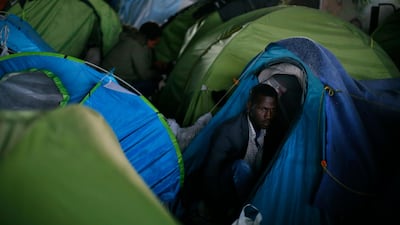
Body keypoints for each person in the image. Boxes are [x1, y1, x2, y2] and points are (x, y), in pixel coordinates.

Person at [186, 83, 283, 225]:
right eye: (264, 109)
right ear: (250, 106)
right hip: (220, 188)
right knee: (241, 167)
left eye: (273, 110)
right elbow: (210, 173)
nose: (268, 115)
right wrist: (220, 211)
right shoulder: (230, 131)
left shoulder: (269, 131)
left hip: (242, 190)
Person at [101, 21, 168, 98]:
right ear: (148, 38)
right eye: (154, 44)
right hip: (113, 81)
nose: (153, 47)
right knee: (151, 84)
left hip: (105, 74)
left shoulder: (132, 38)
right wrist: (159, 73)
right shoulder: (137, 47)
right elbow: (144, 75)